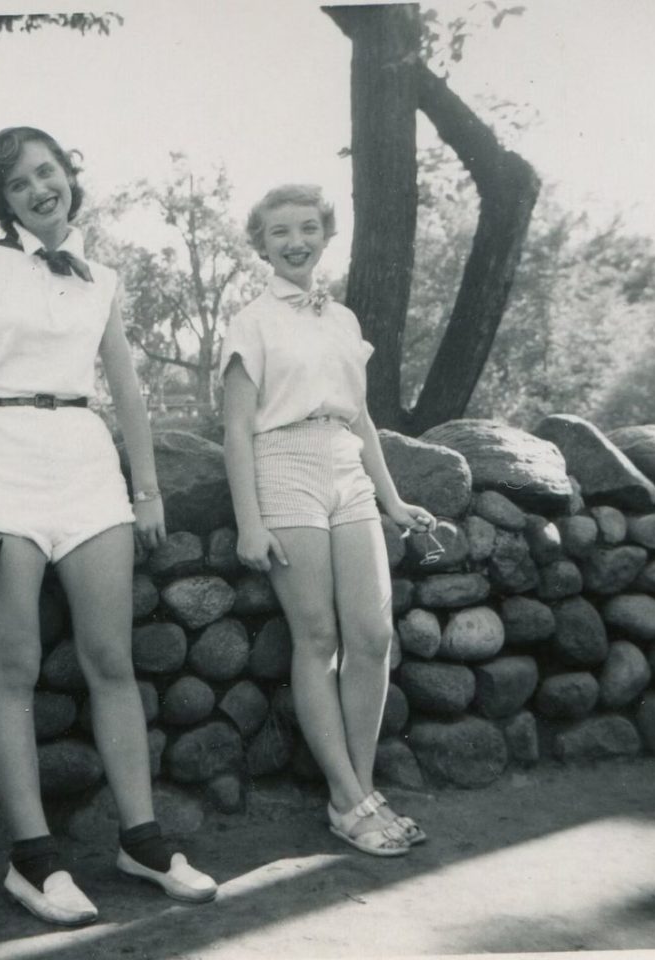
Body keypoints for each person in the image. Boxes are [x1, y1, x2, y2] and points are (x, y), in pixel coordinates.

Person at [0, 126, 216, 925]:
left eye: (47, 172)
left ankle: (143, 840)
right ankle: (34, 860)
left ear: (69, 176)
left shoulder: (102, 278)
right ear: (4, 201)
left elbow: (127, 390)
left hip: (88, 468)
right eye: (19, 184)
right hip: (1, 465)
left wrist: (148, 487)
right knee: (14, 666)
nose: (38, 190)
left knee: (111, 660)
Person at [220, 184, 433, 857]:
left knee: (372, 635)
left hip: (346, 466)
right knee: (317, 639)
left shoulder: (341, 320)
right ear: (261, 244)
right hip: (282, 465)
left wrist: (392, 498)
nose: (295, 242)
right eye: (279, 232)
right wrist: (249, 521)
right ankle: (352, 799)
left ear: (324, 234)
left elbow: (360, 415)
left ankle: (355, 793)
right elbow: (234, 431)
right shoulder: (249, 321)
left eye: (307, 228)